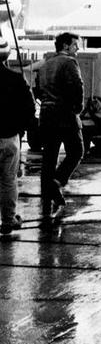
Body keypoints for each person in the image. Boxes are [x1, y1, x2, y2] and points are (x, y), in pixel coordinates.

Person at [38, 31, 85, 218]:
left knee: (49, 157)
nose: (78, 48)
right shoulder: (69, 62)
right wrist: (77, 109)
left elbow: (37, 89)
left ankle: (47, 194)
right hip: (65, 115)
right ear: (66, 45)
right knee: (76, 151)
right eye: (75, 45)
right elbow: (77, 86)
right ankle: (56, 183)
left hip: (46, 115)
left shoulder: (45, 65)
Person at [0, 38, 36, 239]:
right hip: (9, 137)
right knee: (8, 181)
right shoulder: (16, 79)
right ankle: (8, 220)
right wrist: (20, 129)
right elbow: (30, 109)